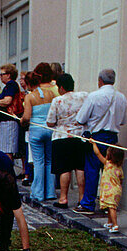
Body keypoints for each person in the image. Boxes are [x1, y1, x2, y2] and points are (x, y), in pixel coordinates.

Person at [75, 68, 127, 216]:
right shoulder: (121, 97)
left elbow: (81, 118)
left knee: (92, 171)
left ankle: (88, 204)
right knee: (110, 172)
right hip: (113, 138)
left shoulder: (94, 96)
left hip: (96, 136)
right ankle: (107, 205)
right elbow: (122, 121)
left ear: (100, 81)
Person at [45, 72, 88, 209]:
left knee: (65, 169)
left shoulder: (57, 100)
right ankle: (82, 198)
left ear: (61, 87)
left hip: (62, 137)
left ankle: (63, 198)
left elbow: (50, 122)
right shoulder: (84, 96)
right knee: (80, 167)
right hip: (80, 136)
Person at [21, 70, 56, 203]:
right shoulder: (51, 93)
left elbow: (27, 117)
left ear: (29, 84)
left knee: (38, 162)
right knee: (49, 161)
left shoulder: (29, 97)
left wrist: (22, 121)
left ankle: (39, 193)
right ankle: (50, 192)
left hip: (36, 130)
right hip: (49, 129)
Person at [0, 64, 21, 157]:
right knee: (3, 149)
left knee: (7, 150)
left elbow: (7, 101)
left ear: (9, 75)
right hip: (3, 122)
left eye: (2, 74)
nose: (1, 76)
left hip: (8, 121)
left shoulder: (11, 85)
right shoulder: (7, 86)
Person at [93, 145, 124, 232]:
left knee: (112, 208)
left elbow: (97, 153)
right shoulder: (119, 168)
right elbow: (121, 180)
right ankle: (110, 222)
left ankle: (115, 225)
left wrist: (93, 143)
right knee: (111, 207)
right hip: (117, 190)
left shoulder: (107, 164)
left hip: (110, 190)